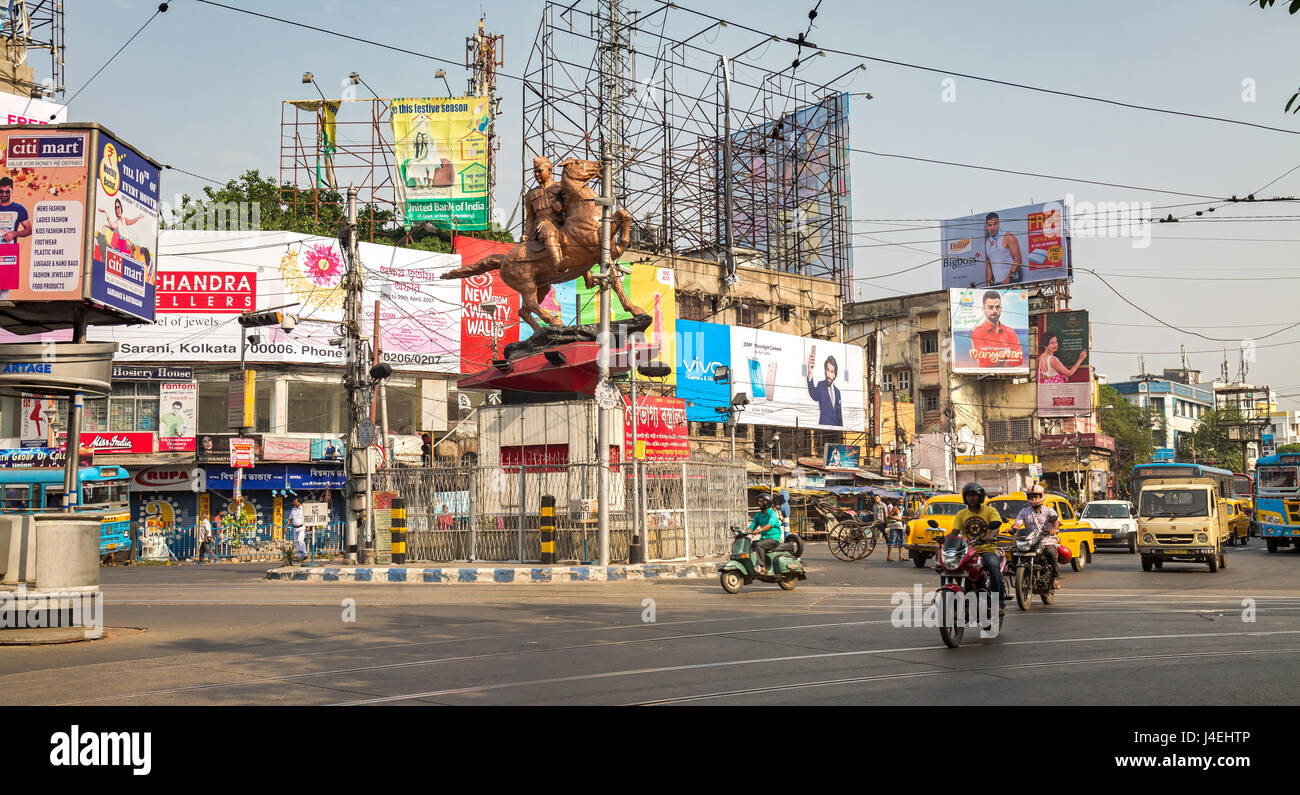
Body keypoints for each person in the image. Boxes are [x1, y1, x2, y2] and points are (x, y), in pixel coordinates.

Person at [948, 481, 1007, 616]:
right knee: (948, 567)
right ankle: (951, 597)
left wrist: (989, 536)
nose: (972, 498)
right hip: (967, 552)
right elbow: (954, 533)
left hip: (986, 550)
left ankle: (998, 603)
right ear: (965, 498)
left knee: (993, 565)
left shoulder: (990, 511)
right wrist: (944, 541)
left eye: (974, 495)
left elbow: (996, 528)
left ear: (980, 497)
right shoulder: (961, 514)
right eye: (969, 495)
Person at [1012, 485, 1062, 589]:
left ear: (1042, 496)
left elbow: (1056, 521)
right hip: (1030, 540)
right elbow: (1018, 523)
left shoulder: (1049, 510)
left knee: (1050, 552)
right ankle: (1017, 573)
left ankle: (1054, 578)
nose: (1034, 499)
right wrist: (1013, 528)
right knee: (1014, 551)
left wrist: (1054, 529)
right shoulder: (1024, 511)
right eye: (1031, 496)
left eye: (1036, 496)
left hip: (1046, 539)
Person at [524, 156, 566, 268]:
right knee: (549, 232)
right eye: (535, 172)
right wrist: (526, 234)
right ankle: (558, 264)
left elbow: (573, 205)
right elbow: (530, 217)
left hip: (562, 221)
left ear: (550, 170)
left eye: (540, 171)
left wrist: (563, 205)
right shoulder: (530, 195)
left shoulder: (561, 187)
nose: (537, 174)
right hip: (542, 224)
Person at [969, 291, 1023, 369]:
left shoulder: (1010, 332)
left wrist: (996, 359)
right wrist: (1006, 355)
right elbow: (984, 362)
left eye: (997, 307)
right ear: (983, 309)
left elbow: (1020, 359)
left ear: (1001, 308)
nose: (994, 311)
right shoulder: (977, 332)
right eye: (990, 307)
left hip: (1009, 377)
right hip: (986, 378)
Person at [0, 176, 31, 301]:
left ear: (12, 191)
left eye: (7, 192)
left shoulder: (19, 209)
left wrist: (14, 234)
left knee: (5, 289)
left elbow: (29, 229)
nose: (4, 194)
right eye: (1, 192)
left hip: (9, 250)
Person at [982, 211, 1022, 286]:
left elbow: (1018, 259)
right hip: (997, 284)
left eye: (995, 224)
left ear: (999, 223)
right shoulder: (987, 241)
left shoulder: (1008, 236)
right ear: (986, 226)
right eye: (990, 225)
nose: (992, 228)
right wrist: (988, 285)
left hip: (1012, 283)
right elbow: (988, 265)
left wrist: (1008, 280)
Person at [747, 493, 783, 574]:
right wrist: (744, 532)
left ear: (766, 503)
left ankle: (762, 567)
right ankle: (751, 565)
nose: (759, 503)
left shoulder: (772, 513)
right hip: (764, 539)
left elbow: (770, 525)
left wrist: (760, 530)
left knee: (759, 545)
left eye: (761, 501)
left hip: (774, 539)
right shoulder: (758, 515)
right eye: (758, 501)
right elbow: (752, 526)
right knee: (748, 545)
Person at [805, 353, 843, 426]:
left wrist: (841, 431)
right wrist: (810, 371)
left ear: (835, 374)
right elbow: (813, 394)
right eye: (827, 370)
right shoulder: (821, 385)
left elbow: (839, 415)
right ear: (825, 370)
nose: (829, 374)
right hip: (823, 429)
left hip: (835, 432)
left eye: (831, 371)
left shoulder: (838, 392)